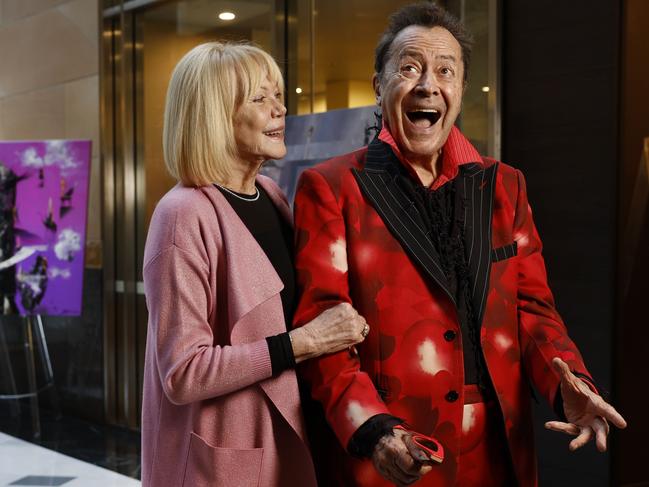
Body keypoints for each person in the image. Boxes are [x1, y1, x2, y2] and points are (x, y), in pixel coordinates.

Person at [292, 3, 627, 486]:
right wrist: (372, 429)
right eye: (409, 68)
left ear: (461, 89)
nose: (428, 83)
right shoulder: (333, 187)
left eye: (445, 71)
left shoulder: (503, 186)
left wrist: (569, 384)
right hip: (397, 449)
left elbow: (533, 313)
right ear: (379, 86)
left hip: (498, 448)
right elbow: (321, 336)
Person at [141, 41, 369, 487]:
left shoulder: (273, 195)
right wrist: (304, 343)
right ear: (213, 116)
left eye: (278, 96)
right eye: (260, 99)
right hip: (221, 464)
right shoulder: (182, 215)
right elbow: (183, 373)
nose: (279, 110)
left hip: (287, 445)